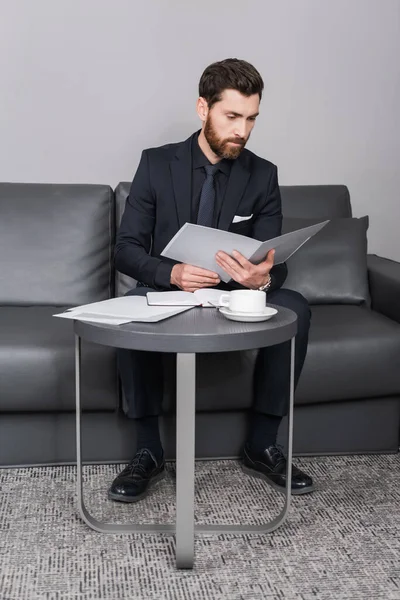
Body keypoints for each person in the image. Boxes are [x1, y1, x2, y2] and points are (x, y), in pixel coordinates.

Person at [109, 58, 314, 503]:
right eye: (232, 116)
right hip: (168, 290)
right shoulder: (157, 164)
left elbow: (274, 260)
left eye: (252, 119)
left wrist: (262, 278)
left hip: (234, 294)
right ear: (203, 109)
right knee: (130, 311)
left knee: (296, 305)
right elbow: (125, 249)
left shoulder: (263, 174)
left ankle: (262, 443)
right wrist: (172, 272)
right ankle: (148, 450)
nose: (243, 129)